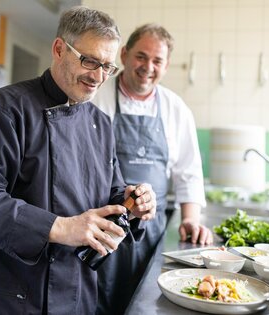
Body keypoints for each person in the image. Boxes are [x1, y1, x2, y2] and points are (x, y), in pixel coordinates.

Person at [0, 6, 157, 315]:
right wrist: (60, 228)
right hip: (13, 297)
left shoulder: (100, 123)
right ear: (59, 48)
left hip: (77, 296)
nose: (98, 76)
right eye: (89, 61)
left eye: (107, 66)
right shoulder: (7, 108)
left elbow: (110, 194)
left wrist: (132, 203)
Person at [92, 23, 213, 315]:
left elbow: (189, 172)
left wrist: (190, 220)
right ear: (124, 55)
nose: (148, 67)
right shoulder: (96, 97)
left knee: (146, 304)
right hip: (100, 229)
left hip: (151, 234)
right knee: (96, 303)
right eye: (141, 56)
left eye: (157, 60)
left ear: (166, 66)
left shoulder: (176, 109)